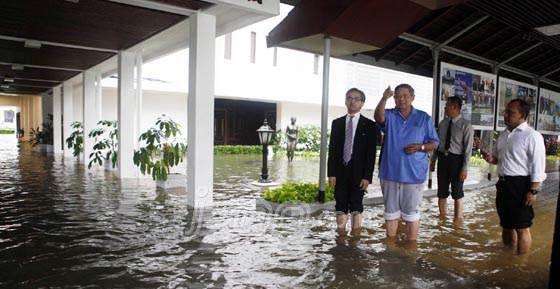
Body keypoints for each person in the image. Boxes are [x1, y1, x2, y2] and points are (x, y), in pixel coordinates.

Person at [374, 84, 439, 243]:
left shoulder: (424, 117)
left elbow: (435, 143)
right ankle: (390, 246)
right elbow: (378, 117)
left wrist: (420, 147)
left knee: (412, 214)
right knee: (390, 213)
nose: (401, 99)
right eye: (397, 96)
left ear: (412, 97)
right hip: (390, 172)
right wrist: (384, 98)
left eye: (405, 95)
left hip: (414, 174)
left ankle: (411, 248)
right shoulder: (390, 114)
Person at [482, 99, 546, 254]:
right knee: (506, 225)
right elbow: (499, 159)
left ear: (522, 115)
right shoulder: (504, 135)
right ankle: (507, 258)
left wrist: (533, 191)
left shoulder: (532, 136)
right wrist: (491, 159)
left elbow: (539, 166)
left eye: (510, 112)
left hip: (521, 185)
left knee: (522, 227)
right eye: (506, 111)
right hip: (503, 184)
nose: (506, 115)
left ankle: (521, 264)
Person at [328, 88, 378, 236]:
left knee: (356, 205)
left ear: (362, 103)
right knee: (340, 204)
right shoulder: (336, 123)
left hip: (359, 173)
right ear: (345, 101)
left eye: (356, 98)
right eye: (349, 98)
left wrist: (367, 177)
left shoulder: (370, 125)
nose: (352, 101)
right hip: (340, 171)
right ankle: (341, 236)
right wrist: (331, 173)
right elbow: (332, 150)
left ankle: (355, 238)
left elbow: (371, 154)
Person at [430, 96, 474, 223]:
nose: (445, 108)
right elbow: (437, 143)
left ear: (455, 107)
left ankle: (457, 221)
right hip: (443, 160)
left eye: (447, 105)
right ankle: (442, 220)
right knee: (442, 192)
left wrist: (464, 169)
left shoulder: (466, 126)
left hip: (457, 161)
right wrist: (433, 161)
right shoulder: (443, 123)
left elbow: (468, 150)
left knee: (457, 193)